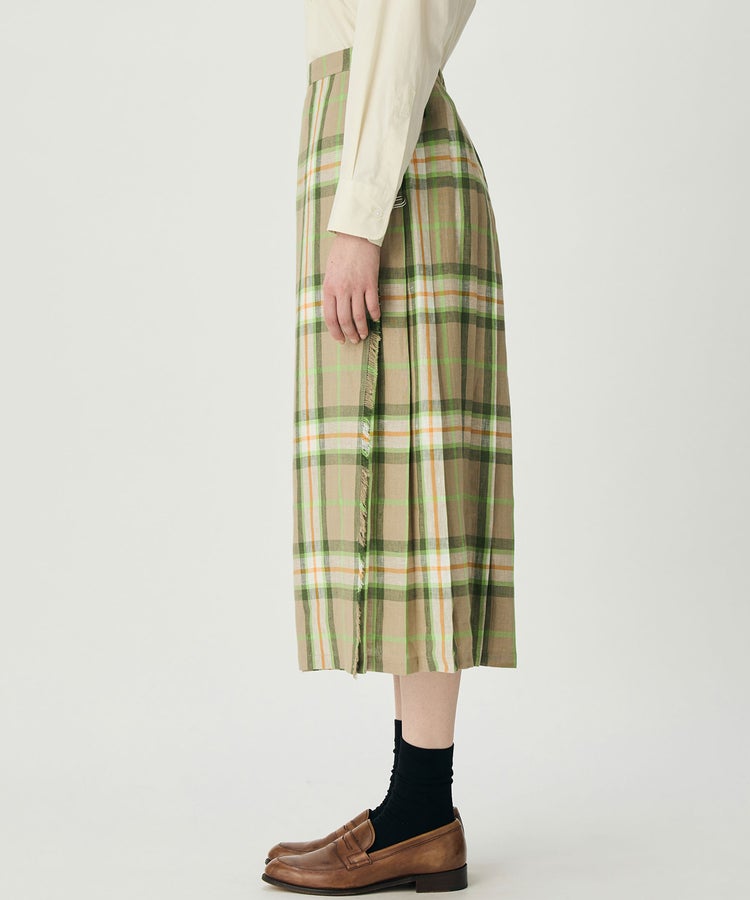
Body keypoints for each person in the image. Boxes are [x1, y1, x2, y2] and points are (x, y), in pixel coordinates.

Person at [262, 0, 516, 893]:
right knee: (405, 513)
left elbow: (403, 23)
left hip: (387, 177)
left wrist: (362, 214)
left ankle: (422, 814)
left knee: (419, 508)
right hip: (369, 157)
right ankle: (416, 809)